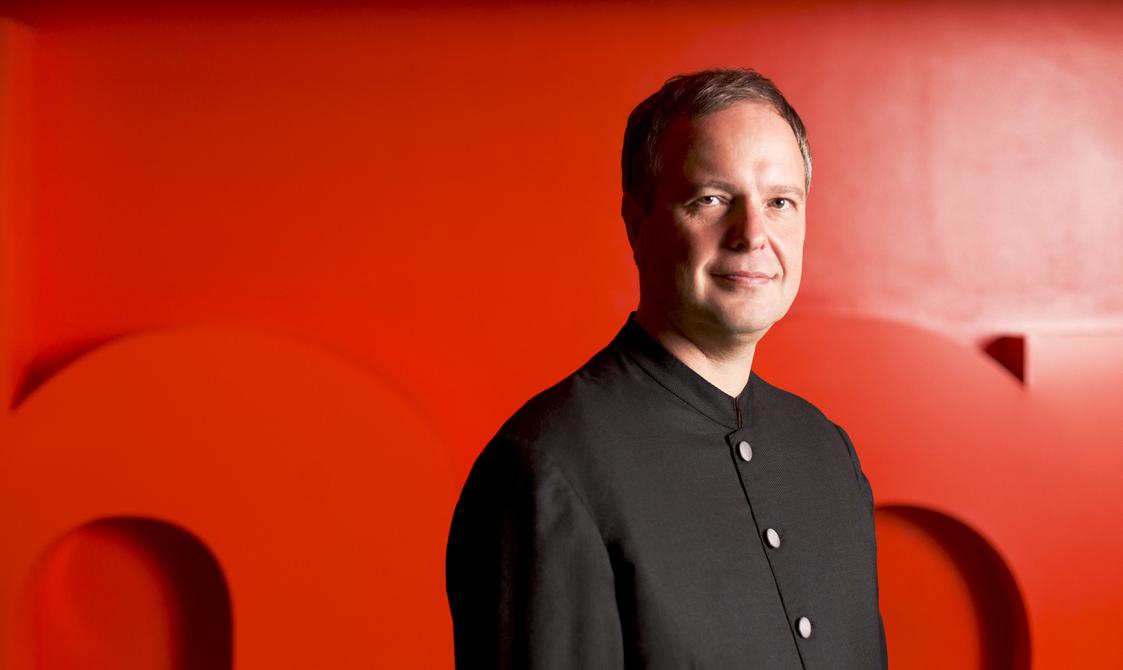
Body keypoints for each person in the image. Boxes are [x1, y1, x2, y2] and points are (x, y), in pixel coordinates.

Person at [446, 68, 887, 669]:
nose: (753, 234)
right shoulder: (547, 468)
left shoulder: (826, 452)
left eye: (780, 202)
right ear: (637, 224)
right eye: (711, 200)